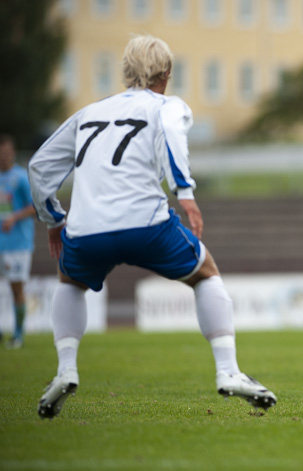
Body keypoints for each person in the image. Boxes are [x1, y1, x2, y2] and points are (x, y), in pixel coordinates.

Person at [28, 34, 276, 419]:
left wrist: (52, 220)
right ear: (167, 72)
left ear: (125, 72)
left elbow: (40, 167)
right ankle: (228, 371)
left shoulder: (88, 113)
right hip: (145, 223)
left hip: (87, 227)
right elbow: (174, 136)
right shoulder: (166, 106)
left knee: (69, 281)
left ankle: (65, 370)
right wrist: (185, 193)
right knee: (205, 272)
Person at [0, 134, 36, 349]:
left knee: (16, 289)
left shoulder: (20, 177)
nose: (3, 158)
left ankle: (18, 334)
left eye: (5, 153)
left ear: (12, 153)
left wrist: (14, 217)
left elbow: (34, 207)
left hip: (18, 244)